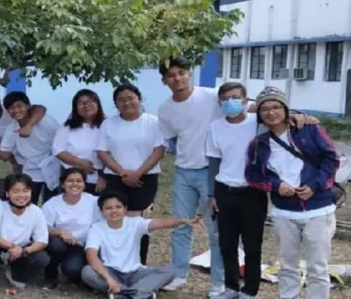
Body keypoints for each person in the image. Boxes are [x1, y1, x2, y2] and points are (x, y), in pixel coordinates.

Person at [245, 86, 339, 299]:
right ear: (259, 114)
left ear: (286, 109)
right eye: (265, 109)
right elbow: (252, 175)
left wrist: (315, 186)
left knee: (318, 267)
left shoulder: (309, 130)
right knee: (287, 266)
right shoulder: (259, 144)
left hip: (318, 210)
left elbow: (331, 158)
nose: (271, 112)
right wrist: (276, 186)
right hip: (284, 213)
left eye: (277, 106)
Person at [156, 57, 224, 295]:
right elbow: (173, 138)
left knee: (216, 229)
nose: (178, 78)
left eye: (182, 72)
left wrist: (295, 114)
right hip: (183, 172)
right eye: (171, 75)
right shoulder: (165, 109)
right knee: (180, 225)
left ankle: (218, 282)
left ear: (189, 74)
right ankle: (179, 275)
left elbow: (247, 104)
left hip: (211, 172)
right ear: (165, 80)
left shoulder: (212, 96)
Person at [206, 82, 267, 299]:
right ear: (220, 102)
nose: (230, 102)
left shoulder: (258, 124)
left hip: (252, 192)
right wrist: (211, 194)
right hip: (224, 191)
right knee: (226, 244)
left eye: (235, 97)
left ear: (244, 100)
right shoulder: (215, 127)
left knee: (252, 246)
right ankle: (231, 288)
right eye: (225, 98)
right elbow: (214, 162)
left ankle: (249, 291)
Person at [97, 83, 167, 266]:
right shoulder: (109, 124)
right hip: (115, 178)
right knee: (114, 220)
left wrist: (138, 173)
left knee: (138, 224)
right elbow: (102, 152)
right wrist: (123, 173)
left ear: (139, 99)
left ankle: (139, 264)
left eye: (130, 98)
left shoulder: (153, 122)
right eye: (121, 100)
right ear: (115, 104)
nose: (126, 103)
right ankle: (112, 263)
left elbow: (159, 150)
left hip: (145, 179)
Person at [81, 190, 188, 298]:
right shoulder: (97, 228)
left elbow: (160, 223)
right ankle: (139, 293)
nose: (114, 211)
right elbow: (91, 256)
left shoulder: (135, 223)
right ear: (102, 211)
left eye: (118, 207)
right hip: (111, 271)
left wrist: (183, 220)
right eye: (109, 208)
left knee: (170, 272)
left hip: (136, 273)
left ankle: (122, 294)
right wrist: (109, 279)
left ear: (125, 209)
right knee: (87, 272)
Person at [0, 173, 50, 296]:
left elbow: (42, 241)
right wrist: (12, 247)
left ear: (31, 192)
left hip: (21, 250)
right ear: (7, 193)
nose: (21, 195)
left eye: (26, 191)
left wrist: (24, 251)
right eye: (16, 191)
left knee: (42, 258)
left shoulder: (36, 211)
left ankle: (16, 273)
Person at [41, 168, 101, 289]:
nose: (74, 184)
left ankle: (77, 272)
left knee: (73, 269)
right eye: (70, 181)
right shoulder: (52, 203)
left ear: (84, 184)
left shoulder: (94, 202)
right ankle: (50, 275)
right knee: (55, 244)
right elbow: (41, 227)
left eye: (79, 181)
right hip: (60, 242)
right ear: (63, 184)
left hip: (82, 245)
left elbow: (101, 225)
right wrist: (60, 231)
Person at [0, 92, 61, 204]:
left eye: (19, 106)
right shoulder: (11, 129)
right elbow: (5, 153)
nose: (16, 110)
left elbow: (62, 140)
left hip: (53, 166)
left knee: (52, 204)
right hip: (30, 170)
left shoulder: (46, 122)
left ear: (28, 106)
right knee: (28, 204)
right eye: (12, 108)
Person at [0, 88, 47, 170]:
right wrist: (14, 163)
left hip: (44, 155)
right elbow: (2, 151)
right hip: (22, 162)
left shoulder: (12, 108)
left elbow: (40, 109)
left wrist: (28, 125)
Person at [53, 89, 105, 193]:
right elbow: (58, 150)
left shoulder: (107, 125)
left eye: (91, 101)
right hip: (72, 180)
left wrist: (104, 176)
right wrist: (82, 163)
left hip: (99, 180)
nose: (86, 105)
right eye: (81, 103)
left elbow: (113, 153)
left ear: (98, 104)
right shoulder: (67, 127)